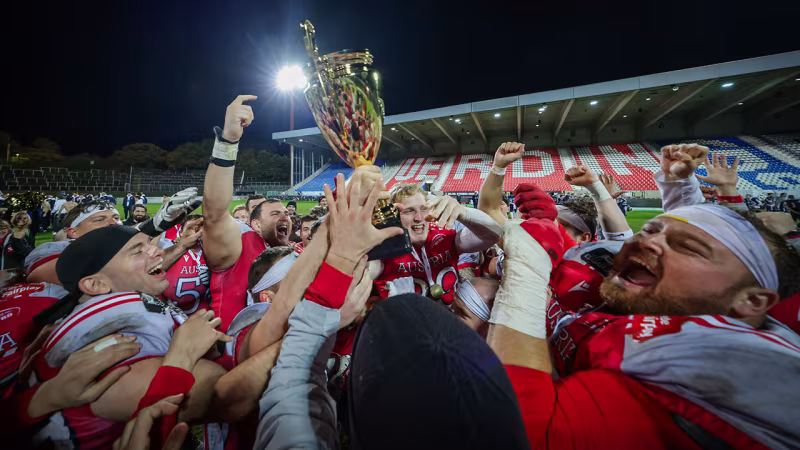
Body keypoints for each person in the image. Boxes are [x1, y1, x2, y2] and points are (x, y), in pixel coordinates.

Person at [496, 144, 800, 449]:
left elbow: (521, 430)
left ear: (752, 302)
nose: (647, 242)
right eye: (649, 230)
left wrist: (528, 265)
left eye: (689, 248)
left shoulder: (735, 368)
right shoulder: (625, 282)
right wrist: (679, 188)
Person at [34, 226, 230, 449]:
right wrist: (184, 354)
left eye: (150, 244)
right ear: (96, 284)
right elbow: (219, 391)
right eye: (138, 251)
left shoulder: (117, 299)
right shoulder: (111, 327)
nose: (158, 250)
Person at [370, 181, 502, 304]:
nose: (419, 218)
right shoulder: (383, 250)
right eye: (409, 211)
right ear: (394, 217)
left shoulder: (443, 237)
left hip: (449, 317)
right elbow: (365, 272)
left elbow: (493, 236)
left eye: (423, 209)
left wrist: (465, 213)